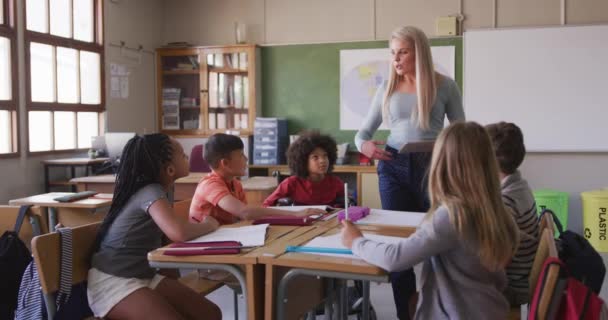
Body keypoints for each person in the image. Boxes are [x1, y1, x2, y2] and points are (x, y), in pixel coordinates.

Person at [342, 122, 519, 320]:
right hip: (490, 309)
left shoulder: (453, 215)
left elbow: (394, 259)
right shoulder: (497, 209)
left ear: (443, 163)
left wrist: (356, 241)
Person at [354, 25, 465, 319]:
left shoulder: (445, 86)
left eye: (402, 52)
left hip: (434, 168)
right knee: (397, 242)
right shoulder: (387, 87)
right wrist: (364, 146)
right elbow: (361, 134)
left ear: (419, 53)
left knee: (440, 243)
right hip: (393, 166)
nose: (396, 59)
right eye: (393, 53)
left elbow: (460, 133)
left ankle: (437, 308)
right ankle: (406, 311)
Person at [88, 134, 222, 320]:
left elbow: (167, 237)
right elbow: (178, 232)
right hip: (114, 281)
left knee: (210, 314)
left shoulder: (166, 190)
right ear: (170, 169)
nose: (187, 157)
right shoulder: (151, 191)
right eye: (182, 154)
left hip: (144, 275)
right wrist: (209, 224)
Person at [190, 133, 325, 225]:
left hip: (224, 237)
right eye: (241, 155)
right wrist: (295, 215)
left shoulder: (235, 184)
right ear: (225, 163)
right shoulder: (210, 184)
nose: (246, 159)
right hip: (205, 242)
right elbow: (245, 212)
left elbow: (244, 217)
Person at [486, 121, 540, 306]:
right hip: (521, 278)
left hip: (511, 288)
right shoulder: (520, 185)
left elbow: (498, 261)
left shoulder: (505, 201)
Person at [263, 131, 345, 207]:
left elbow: (348, 206)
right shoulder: (291, 184)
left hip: (329, 222)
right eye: (315, 157)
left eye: (325, 156)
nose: (322, 161)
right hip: (298, 221)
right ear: (303, 161)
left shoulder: (335, 183)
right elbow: (266, 206)